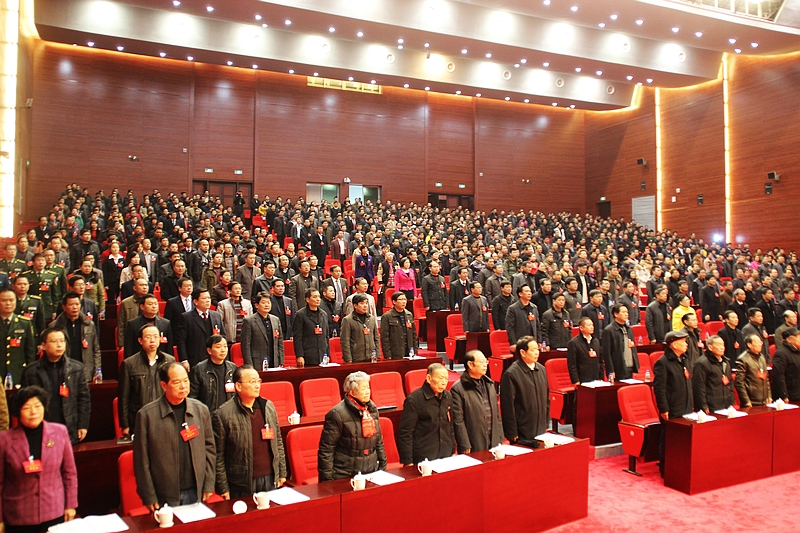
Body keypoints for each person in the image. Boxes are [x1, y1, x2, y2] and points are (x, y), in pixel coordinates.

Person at [133, 362, 215, 509]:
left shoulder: (201, 410)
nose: (183, 386)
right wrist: (148, 495)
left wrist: (209, 483)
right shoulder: (147, 415)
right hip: (164, 494)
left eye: (186, 381)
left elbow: (209, 449)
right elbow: (141, 459)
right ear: (164, 385)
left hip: (195, 490)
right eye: (177, 382)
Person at [0, 386, 77, 532]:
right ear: (18, 412)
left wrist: (71, 505)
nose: (33, 412)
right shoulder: (4, 440)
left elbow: (69, 473)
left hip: (54, 510)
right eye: (27, 408)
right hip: (18, 516)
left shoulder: (60, 432)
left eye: (37, 406)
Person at [212, 365, 287, 498]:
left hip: (270, 478)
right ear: (238, 386)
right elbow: (219, 456)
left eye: (258, 381)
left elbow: (278, 442)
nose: (257, 385)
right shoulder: (223, 414)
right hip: (241, 482)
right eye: (252, 382)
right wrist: (223, 487)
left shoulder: (268, 406)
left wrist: (281, 472)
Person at [21, 328, 91, 445]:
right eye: (54, 341)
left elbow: (84, 398)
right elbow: (24, 403)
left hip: (69, 426)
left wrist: (83, 425)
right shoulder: (30, 371)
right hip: (41, 426)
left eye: (62, 341)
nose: (59, 345)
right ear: (43, 345)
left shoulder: (76, 368)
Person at [317, 371, 387, 481]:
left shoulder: (372, 410)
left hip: (371, 470)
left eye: (368, 388)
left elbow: (378, 440)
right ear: (352, 393)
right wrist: (327, 481)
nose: (368, 391)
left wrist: (382, 466)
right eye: (363, 389)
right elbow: (327, 450)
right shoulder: (337, 414)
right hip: (345, 474)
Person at [118, 324, 176, 437]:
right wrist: (125, 424)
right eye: (148, 337)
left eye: (155, 336)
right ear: (140, 340)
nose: (152, 340)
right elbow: (124, 397)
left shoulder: (169, 361)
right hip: (139, 417)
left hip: (165, 415)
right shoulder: (129, 364)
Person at [653, 330, 693, 477]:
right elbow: (660, 388)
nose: (686, 344)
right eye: (683, 342)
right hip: (672, 407)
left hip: (686, 405)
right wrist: (664, 409)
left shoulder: (684, 359)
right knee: (669, 439)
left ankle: (680, 466)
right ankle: (665, 468)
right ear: (674, 345)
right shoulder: (663, 363)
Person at [397, 363, 454, 465]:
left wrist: (452, 450)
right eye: (440, 378)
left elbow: (450, 425)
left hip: (445, 454)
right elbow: (406, 432)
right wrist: (408, 461)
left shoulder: (448, 396)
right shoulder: (414, 400)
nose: (444, 382)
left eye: (446, 379)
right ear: (429, 378)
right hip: (424, 457)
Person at [450, 350, 503, 453]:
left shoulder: (489, 384)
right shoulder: (458, 389)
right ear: (470, 364)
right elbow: (458, 420)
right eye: (481, 362)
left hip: (493, 439)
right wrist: (464, 443)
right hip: (473, 441)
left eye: (486, 361)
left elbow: (496, 414)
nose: (485, 365)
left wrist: (500, 437)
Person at [500, 337, 549, 446]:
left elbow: (547, 399)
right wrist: (511, 431)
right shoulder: (511, 374)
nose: (537, 352)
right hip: (522, 430)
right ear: (523, 352)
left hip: (540, 427)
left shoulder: (541, 369)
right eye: (533, 350)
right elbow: (508, 406)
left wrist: (546, 423)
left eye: (537, 349)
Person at [50, 292, 100, 383]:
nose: (75, 307)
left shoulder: (89, 325)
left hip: (85, 371)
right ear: (64, 307)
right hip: (62, 372)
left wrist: (97, 371)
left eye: (77, 304)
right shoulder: (54, 327)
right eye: (71, 304)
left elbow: (96, 350)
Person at [176, 288, 226, 369]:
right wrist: (184, 360)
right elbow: (181, 340)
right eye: (204, 298)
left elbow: (222, 336)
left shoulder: (216, 315)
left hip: (214, 358)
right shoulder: (186, 317)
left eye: (209, 298)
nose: (208, 300)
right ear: (195, 301)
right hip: (195, 359)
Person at [190, 335, 237, 413]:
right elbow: (193, 397)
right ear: (209, 351)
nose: (223, 350)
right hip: (208, 414)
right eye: (218, 347)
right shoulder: (199, 370)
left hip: (229, 414)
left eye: (225, 346)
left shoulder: (232, 368)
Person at [0, 287, 36, 386]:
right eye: (4, 300)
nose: (8, 303)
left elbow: (29, 351)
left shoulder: (24, 323)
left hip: (18, 373)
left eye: (11, 300)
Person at [692, 335, 735, 414]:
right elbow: (699, 387)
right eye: (719, 345)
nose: (722, 348)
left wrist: (731, 401)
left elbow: (730, 383)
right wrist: (703, 405)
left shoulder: (726, 362)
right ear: (710, 347)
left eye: (723, 345)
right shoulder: (701, 363)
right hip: (711, 405)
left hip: (726, 404)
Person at [241, 292, 284, 370]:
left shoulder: (275, 320)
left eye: (268, 302)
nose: (266, 305)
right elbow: (246, 346)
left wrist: (281, 361)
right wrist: (249, 365)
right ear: (257, 305)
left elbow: (279, 342)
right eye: (263, 303)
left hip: (274, 360)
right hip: (257, 362)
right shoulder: (249, 321)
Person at [124, 294, 173, 359]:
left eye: (156, 304)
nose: (154, 306)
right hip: (139, 360)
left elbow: (169, 348)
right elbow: (129, 348)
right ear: (142, 307)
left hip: (160, 360)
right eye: (150, 304)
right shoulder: (132, 324)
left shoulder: (165, 323)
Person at [292, 288, 329, 367]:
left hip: (322, 355)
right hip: (308, 355)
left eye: (319, 297)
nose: (318, 299)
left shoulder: (323, 314)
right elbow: (297, 338)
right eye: (315, 297)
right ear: (307, 299)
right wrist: (299, 355)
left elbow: (326, 336)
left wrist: (328, 354)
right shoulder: (300, 315)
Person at [601, 303, 639, 380]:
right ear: (616, 314)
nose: (626, 314)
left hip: (630, 366)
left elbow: (633, 347)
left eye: (627, 312)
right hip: (618, 368)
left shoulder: (629, 329)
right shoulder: (609, 330)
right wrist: (610, 370)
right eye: (623, 312)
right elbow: (607, 353)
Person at [340, 294, 380, 363]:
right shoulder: (347, 320)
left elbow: (376, 338)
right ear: (355, 305)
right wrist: (348, 358)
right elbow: (345, 341)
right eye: (362, 303)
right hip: (356, 357)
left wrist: (378, 354)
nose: (365, 305)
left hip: (371, 357)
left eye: (366, 303)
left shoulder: (371, 318)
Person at [735, 334, 772, 407]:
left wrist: (769, 395)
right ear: (749, 344)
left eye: (760, 342)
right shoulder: (743, 359)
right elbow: (739, 382)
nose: (760, 344)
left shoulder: (762, 357)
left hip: (765, 401)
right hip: (751, 402)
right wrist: (746, 401)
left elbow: (766, 379)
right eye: (757, 342)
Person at [380, 292, 418, 360]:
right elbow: (385, 337)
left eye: (405, 299)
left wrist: (415, 350)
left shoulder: (409, 315)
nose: (403, 302)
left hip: (409, 351)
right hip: (395, 352)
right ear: (394, 302)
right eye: (400, 299)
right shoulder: (387, 316)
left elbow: (414, 334)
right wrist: (387, 354)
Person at [567, 317, 603, 385]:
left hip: (596, 379)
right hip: (582, 380)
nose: (592, 327)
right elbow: (572, 364)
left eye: (592, 325)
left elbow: (600, 361)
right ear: (581, 328)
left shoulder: (596, 341)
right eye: (589, 325)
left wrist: (601, 377)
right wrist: (576, 380)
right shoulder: (574, 343)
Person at [117, 278, 150, 350]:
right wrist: (121, 344)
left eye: (146, 285)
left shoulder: (152, 302)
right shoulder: (126, 303)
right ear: (134, 288)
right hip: (131, 339)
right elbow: (121, 325)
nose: (144, 287)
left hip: (148, 339)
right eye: (141, 285)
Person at [506, 284, 541, 349]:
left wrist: (539, 341)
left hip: (533, 342)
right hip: (519, 342)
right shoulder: (513, 308)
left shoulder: (534, 307)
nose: (529, 293)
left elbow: (537, 326)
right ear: (520, 294)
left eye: (530, 291)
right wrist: (513, 343)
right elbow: (510, 328)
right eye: (526, 291)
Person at [771, 327, 800, 402]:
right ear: (789, 339)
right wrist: (784, 396)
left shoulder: (798, 351)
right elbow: (778, 376)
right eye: (798, 337)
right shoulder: (781, 354)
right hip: (791, 395)